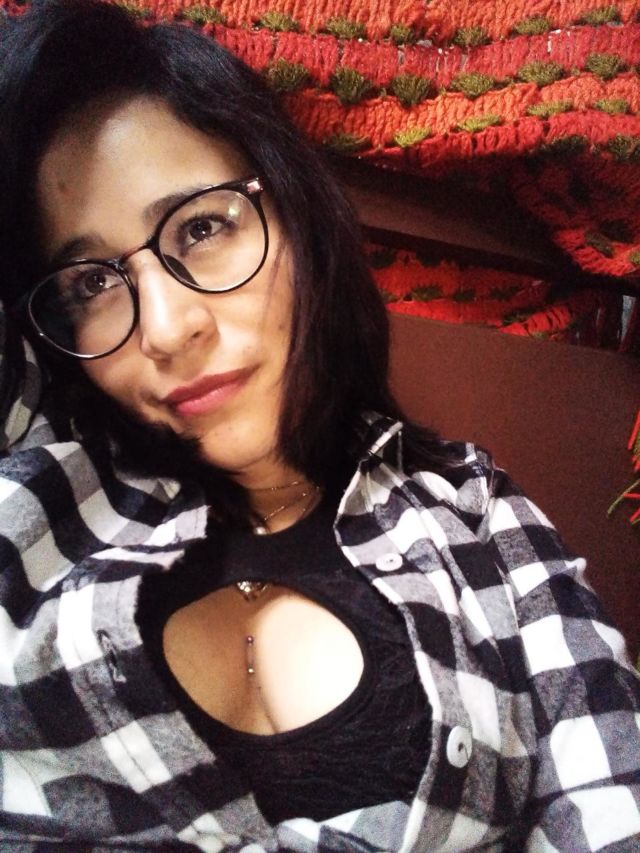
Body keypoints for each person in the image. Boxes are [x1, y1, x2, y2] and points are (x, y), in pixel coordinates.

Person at [0, 1, 638, 850]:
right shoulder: (38, 483)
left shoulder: (477, 514)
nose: (165, 329)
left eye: (201, 228)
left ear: (298, 221)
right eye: (90, 283)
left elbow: (610, 794)